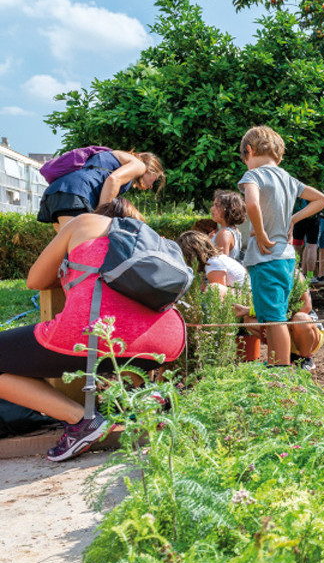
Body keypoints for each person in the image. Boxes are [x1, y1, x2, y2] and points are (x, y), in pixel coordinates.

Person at [3, 205, 185, 461]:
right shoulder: (153, 239)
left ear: (103, 213)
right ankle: (149, 397)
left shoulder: (85, 223)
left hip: (92, 333)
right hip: (166, 339)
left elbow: (34, 280)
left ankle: (81, 421)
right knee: (127, 337)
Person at [238, 125, 324, 366]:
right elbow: (322, 199)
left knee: (273, 318)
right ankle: (279, 365)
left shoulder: (253, 176)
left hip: (266, 256)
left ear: (249, 149)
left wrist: (259, 233)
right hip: (287, 258)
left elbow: (252, 205)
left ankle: (278, 368)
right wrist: (293, 218)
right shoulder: (287, 178)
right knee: (275, 315)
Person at [38, 149, 165, 230]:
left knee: (69, 250)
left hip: (55, 193)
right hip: (74, 193)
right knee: (81, 247)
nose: (151, 186)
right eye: (156, 179)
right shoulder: (139, 165)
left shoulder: (115, 158)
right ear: (151, 169)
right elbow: (113, 180)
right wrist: (101, 218)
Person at [234, 273, 323, 371]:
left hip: (308, 332)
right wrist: (248, 310)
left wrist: (283, 327)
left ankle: (305, 359)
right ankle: (286, 355)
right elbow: (269, 309)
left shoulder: (294, 274)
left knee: (300, 318)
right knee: (249, 321)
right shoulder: (265, 275)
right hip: (285, 328)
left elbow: (306, 306)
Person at [176, 230, 247, 299]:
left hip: (246, 296)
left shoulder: (214, 262)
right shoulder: (212, 260)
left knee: (212, 289)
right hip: (239, 293)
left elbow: (217, 293)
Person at [211, 190, 246, 260]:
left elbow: (221, 265)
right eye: (213, 205)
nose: (212, 209)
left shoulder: (224, 234)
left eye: (217, 205)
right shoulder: (234, 230)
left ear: (227, 209)